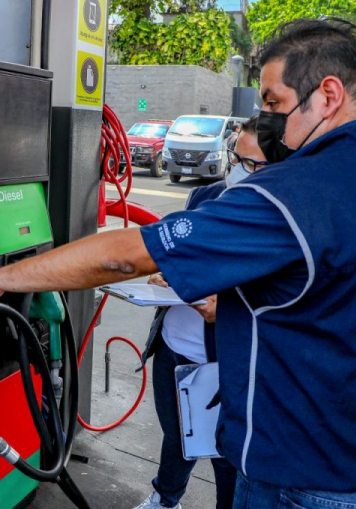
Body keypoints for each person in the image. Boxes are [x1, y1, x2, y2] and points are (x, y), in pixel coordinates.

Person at [0, 18, 356, 509]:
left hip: (301, 479)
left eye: (275, 103)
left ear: (328, 95)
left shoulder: (297, 194)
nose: (268, 122)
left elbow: (126, 255)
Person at [134, 116, 267, 509]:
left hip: (223, 359)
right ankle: (166, 498)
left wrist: (227, 311)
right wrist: (163, 272)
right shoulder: (205, 197)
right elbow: (177, 254)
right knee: (177, 435)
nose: (237, 169)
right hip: (174, 345)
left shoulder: (279, 221)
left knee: (224, 451)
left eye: (251, 163)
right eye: (235, 157)